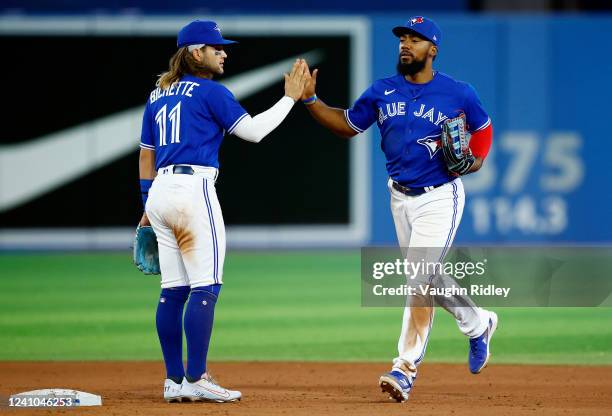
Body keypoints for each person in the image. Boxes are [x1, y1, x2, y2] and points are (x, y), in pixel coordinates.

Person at [300, 16, 497, 403]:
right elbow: (347, 125)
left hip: (440, 195)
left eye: (416, 39)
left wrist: (475, 160)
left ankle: (404, 369)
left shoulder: (458, 93)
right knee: (428, 278)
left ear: (433, 49)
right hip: (399, 197)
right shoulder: (381, 91)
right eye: (403, 39)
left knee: (419, 279)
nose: (406, 45)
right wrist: (310, 100)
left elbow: (483, 129)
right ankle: (477, 323)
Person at [137, 20, 308, 403]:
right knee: (206, 286)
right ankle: (196, 378)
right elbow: (254, 132)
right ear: (196, 53)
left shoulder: (157, 94)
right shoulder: (210, 91)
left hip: (160, 192)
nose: (224, 53)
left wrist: (146, 202)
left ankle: (173, 381)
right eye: (216, 48)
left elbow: (146, 153)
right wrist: (290, 99)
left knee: (172, 290)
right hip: (192, 189)